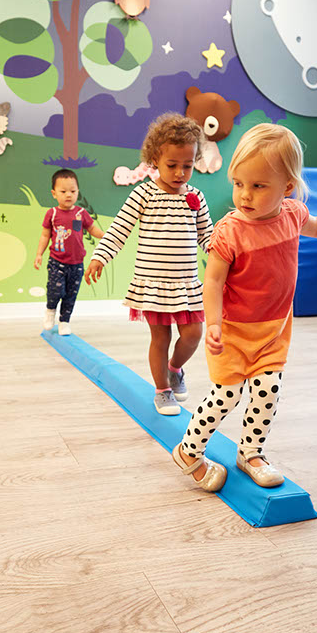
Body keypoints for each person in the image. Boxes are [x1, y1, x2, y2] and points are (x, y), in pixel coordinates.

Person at [170, 123, 317, 491]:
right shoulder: (229, 231)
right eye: (239, 183)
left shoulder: (292, 214)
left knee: (267, 389)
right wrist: (213, 324)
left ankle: (251, 452)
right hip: (234, 330)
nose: (245, 195)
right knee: (226, 394)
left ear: (287, 187)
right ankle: (189, 451)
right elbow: (213, 282)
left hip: (273, 330)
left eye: (258, 186)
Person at [86, 114, 214, 416]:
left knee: (194, 334)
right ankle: (162, 390)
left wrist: (228, 256)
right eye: (173, 165)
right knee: (161, 337)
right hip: (153, 284)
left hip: (186, 285)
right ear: (155, 158)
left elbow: (208, 236)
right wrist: (101, 256)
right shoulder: (143, 193)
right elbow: (119, 229)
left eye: (188, 165)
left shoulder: (196, 197)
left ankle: (175, 369)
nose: (181, 173)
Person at [33, 169, 104, 336]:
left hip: (77, 264)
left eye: (73, 191)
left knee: (71, 295)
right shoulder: (52, 214)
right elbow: (45, 235)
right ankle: (50, 310)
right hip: (57, 261)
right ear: (54, 193)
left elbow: (92, 229)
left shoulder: (81, 213)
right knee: (55, 290)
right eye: (63, 191)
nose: (68, 195)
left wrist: (107, 237)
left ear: (78, 192)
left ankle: (65, 321)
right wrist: (38, 254)